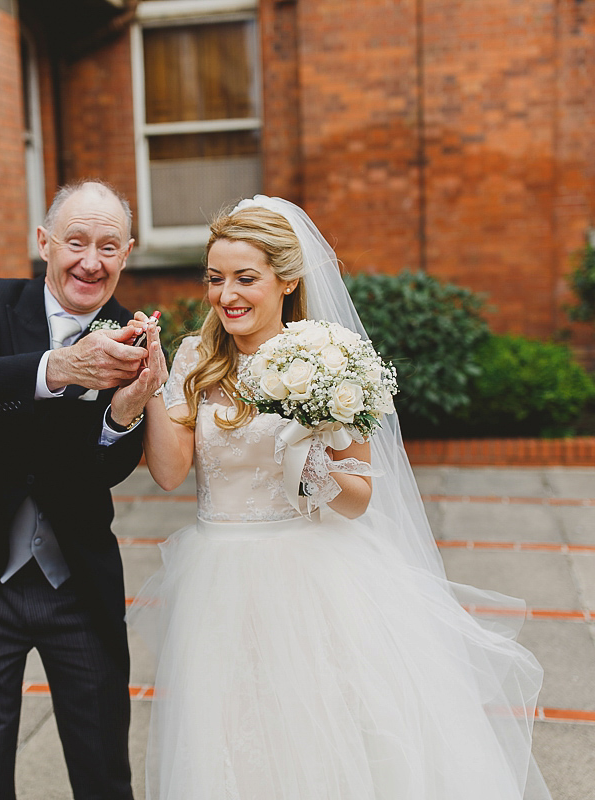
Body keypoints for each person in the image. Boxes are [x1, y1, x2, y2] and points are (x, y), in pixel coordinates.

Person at [129, 196, 552, 800]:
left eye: (246, 278)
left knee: (319, 737)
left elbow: (356, 500)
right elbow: (169, 473)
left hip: (309, 575)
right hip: (216, 578)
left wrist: (311, 455)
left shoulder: (325, 359)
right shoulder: (198, 358)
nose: (228, 295)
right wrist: (151, 383)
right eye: (216, 279)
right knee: (229, 739)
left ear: (288, 279)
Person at [0, 180, 165, 800]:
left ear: (127, 253)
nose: (91, 260)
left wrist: (123, 413)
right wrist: (58, 368)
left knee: (104, 772)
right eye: (76, 241)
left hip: (76, 586)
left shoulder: (132, 334)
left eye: (109, 246)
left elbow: (105, 471)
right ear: (44, 243)